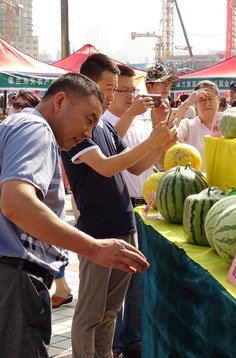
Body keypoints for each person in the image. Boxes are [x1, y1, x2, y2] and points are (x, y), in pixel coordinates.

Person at [0, 72, 149, 358]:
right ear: (60, 101)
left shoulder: (20, 125)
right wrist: (93, 247)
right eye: (89, 118)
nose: (89, 132)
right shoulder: (36, 128)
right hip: (14, 277)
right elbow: (16, 203)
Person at [62, 54, 177, 358]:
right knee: (90, 314)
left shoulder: (106, 128)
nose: (112, 95)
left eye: (118, 89)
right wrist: (152, 142)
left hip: (125, 225)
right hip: (97, 234)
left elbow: (136, 167)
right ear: (87, 84)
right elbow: (107, 167)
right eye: (110, 88)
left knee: (111, 311)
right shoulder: (78, 130)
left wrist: (161, 145)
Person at [102, 64, 154, 358]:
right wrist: (133, 112)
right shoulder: (104, 121)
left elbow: (139, 164)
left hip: (142, 205)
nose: (129, 97)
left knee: (136, 278)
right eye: (122, 91)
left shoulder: (140, 120)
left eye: (133, 91)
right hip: (118, 207)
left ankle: (132, 339)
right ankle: (116, 342)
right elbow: (113, 157)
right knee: (114, 284)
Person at [174, 80, 220, 169]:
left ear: (218, 100)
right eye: (201, 99)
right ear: (195, 103)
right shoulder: (188, 125)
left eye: (210, 99)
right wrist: (187, 102)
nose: (207, 104)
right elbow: (171, 131)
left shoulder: (228, 124)